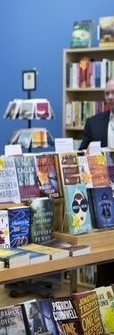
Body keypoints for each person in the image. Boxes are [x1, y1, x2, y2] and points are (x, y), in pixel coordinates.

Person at [79, 77, 114, 286]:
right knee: (106, 255)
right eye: (107, 93)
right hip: (102, 197)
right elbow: (80, 154)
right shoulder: (94, 123)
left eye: (113, 92)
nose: (110, 97)